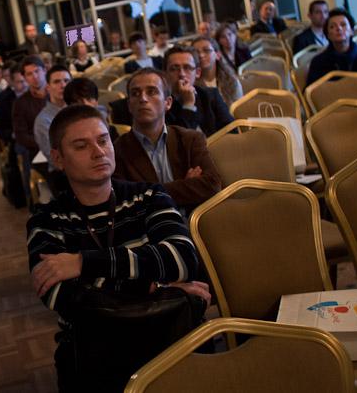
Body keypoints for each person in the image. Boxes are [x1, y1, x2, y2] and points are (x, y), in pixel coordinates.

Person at [27, 104, 210, 392]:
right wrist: (156, 287)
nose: (98, 152)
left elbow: (183, 259)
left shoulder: (149, 196)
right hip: (96, 352)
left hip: (169, 333)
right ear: (58, 158)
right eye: (81, 146)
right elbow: (65, 298)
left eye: (103, 140)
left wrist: (83, 263)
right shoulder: (47, 220)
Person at [113, 68, 221, 213]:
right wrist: (186, 185)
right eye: (135, 93)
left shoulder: (190, 139)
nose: (143, 98)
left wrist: (148, 193)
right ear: (129, 106)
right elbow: (124, 201)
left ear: (168, 103)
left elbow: (212, 185)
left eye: (151, 92)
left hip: (192, 220)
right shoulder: (118, 150)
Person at [165, 46, 234, 136]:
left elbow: (232, 130)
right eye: (174, 69)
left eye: (187, 68)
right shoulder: (163, 105)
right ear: (165, 74)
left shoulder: (211, 96)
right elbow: (180, 140)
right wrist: (188, 105)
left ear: (197, 73)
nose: (182, 74)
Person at [12, 55, 48, 204]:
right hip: (38, 150)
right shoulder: (20, 103)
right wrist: (44, 144)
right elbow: (21, 136)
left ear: (44, 70)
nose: (35, 77)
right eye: (29, 74)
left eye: (37, 71)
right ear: (25, 78)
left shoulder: (58, 94)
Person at [306, 8, 357, 87]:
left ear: (352, 31)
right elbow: (310, 91)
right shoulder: (319, 62)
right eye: (332, 26)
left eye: (343, 25)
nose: (338, 28)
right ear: (328, 35)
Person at [34, 65, 71, 168]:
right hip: (64, 170)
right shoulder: (43, 120)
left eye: (66, 81)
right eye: (57, 82)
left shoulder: (80, 109)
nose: (63, 85)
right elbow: (55, 159)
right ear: (48, 87)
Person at [63, 77, 119, 142]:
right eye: (79, 102)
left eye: (89, 99)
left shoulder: (111, 131)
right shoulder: (65, 134)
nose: (86, 104)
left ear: (96, 101)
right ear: (70, 106)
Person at [192, 36, 243, 106]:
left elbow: (239, 109)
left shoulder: (231, 80)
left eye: (206, 50)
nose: (201, 55)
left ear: (218, 55)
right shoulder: (192, 84)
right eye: (196, 52)